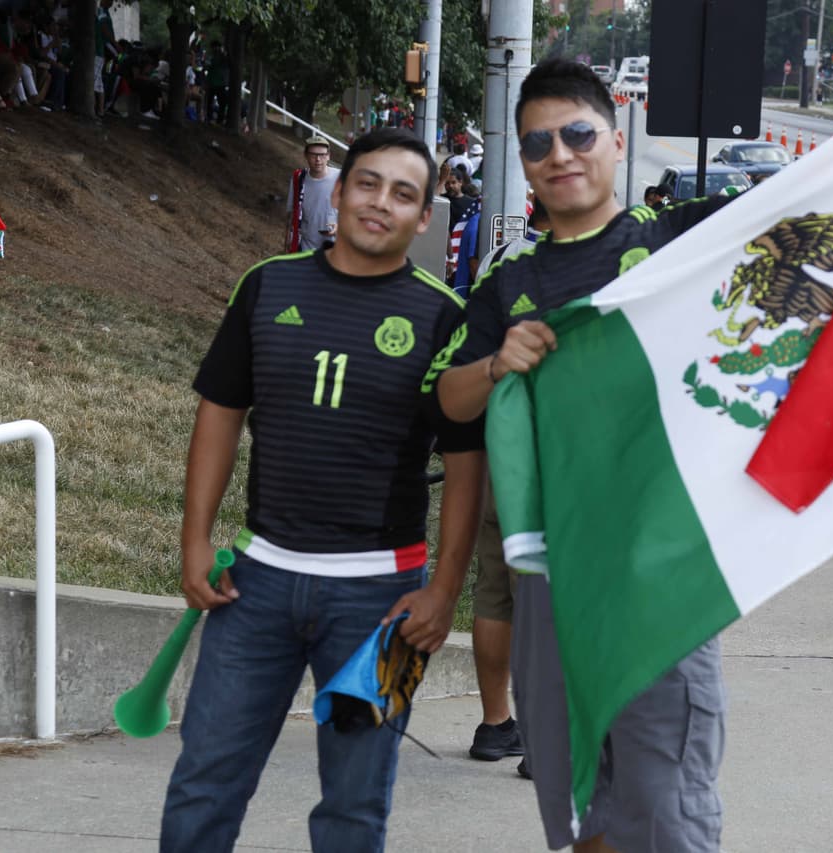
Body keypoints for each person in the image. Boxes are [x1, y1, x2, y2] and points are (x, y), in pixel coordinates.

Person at [426, 58, 833, 851]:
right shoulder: (509, 282)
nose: (560, 155)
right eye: (538, 143)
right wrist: (495, 364)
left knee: (664, 805)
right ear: (523, 161)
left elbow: (823, 199)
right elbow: (450, 403)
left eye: (578, 134)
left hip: (660, 572)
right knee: (579, 805)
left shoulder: (683, 239)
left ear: (617, 141)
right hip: (550, 574)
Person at [159, 127, 485, 852]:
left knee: (355, 805)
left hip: (382, 601)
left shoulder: (444, 318)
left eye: (404, 193)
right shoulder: (267, 285)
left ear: (423, 218)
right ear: (337, 193)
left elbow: (468, 465)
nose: (380, 202)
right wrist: (194, 540)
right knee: (204, 781)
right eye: (367, 183)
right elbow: (219, 413)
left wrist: (444, 591)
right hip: (255, 587)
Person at [465, 198, 551, 771]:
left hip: (499, 442)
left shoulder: (500, 257)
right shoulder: (597, 260)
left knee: (494, 588)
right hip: (556, 453)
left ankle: (496, 724)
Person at [284, 135, 340, 253]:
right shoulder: (299, 178)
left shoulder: (341, 178)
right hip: (306, 246)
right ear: (306, 155)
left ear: (328, 156)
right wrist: (288, 237)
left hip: (334, 247)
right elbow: (292, 212)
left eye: (322, 155)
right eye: (313, 155)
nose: (318, 159)